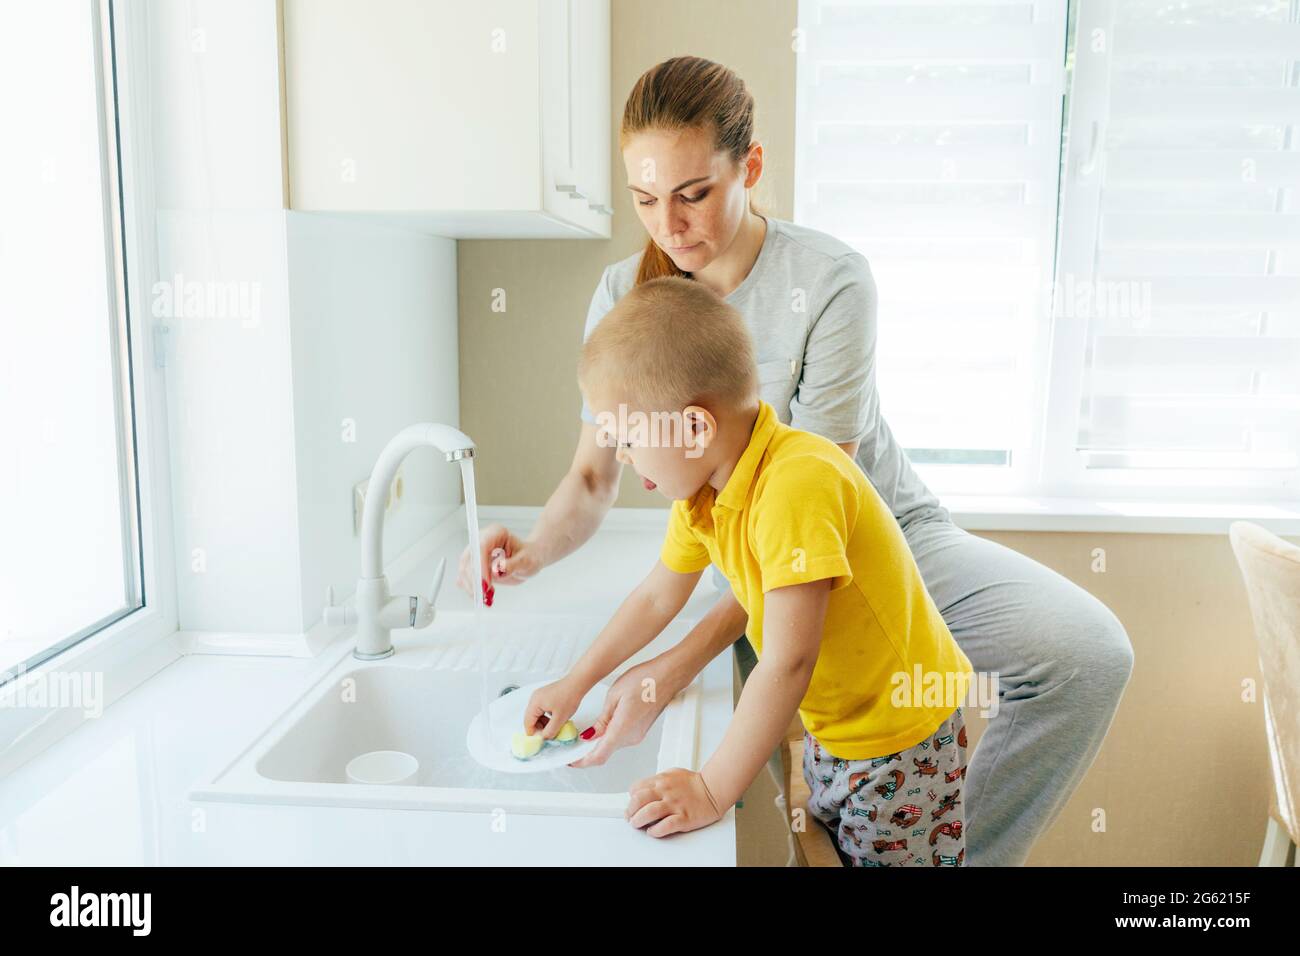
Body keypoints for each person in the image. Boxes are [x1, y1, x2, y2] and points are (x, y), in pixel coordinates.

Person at [458, 55, 1133, 866]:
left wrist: (673, 665)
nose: (668, 229)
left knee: (1088, 658)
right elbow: (595, 479)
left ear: (752, 166)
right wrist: (532, 555)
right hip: (748, 557)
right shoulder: (626, 301)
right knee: (781, 807)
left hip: (872, 533)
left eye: (692, 194)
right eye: (644, 201)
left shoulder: (831, 281)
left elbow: (802, 529)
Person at [523, 276, 973, 865]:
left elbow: (789, 659)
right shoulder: (703, 496)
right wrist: (574, 683)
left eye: (628, 439)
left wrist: (711, 790)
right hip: (835, 728)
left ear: (694, 428)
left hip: (901, 745)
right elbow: (656, 598)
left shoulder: (796, 484)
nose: (623, 457)